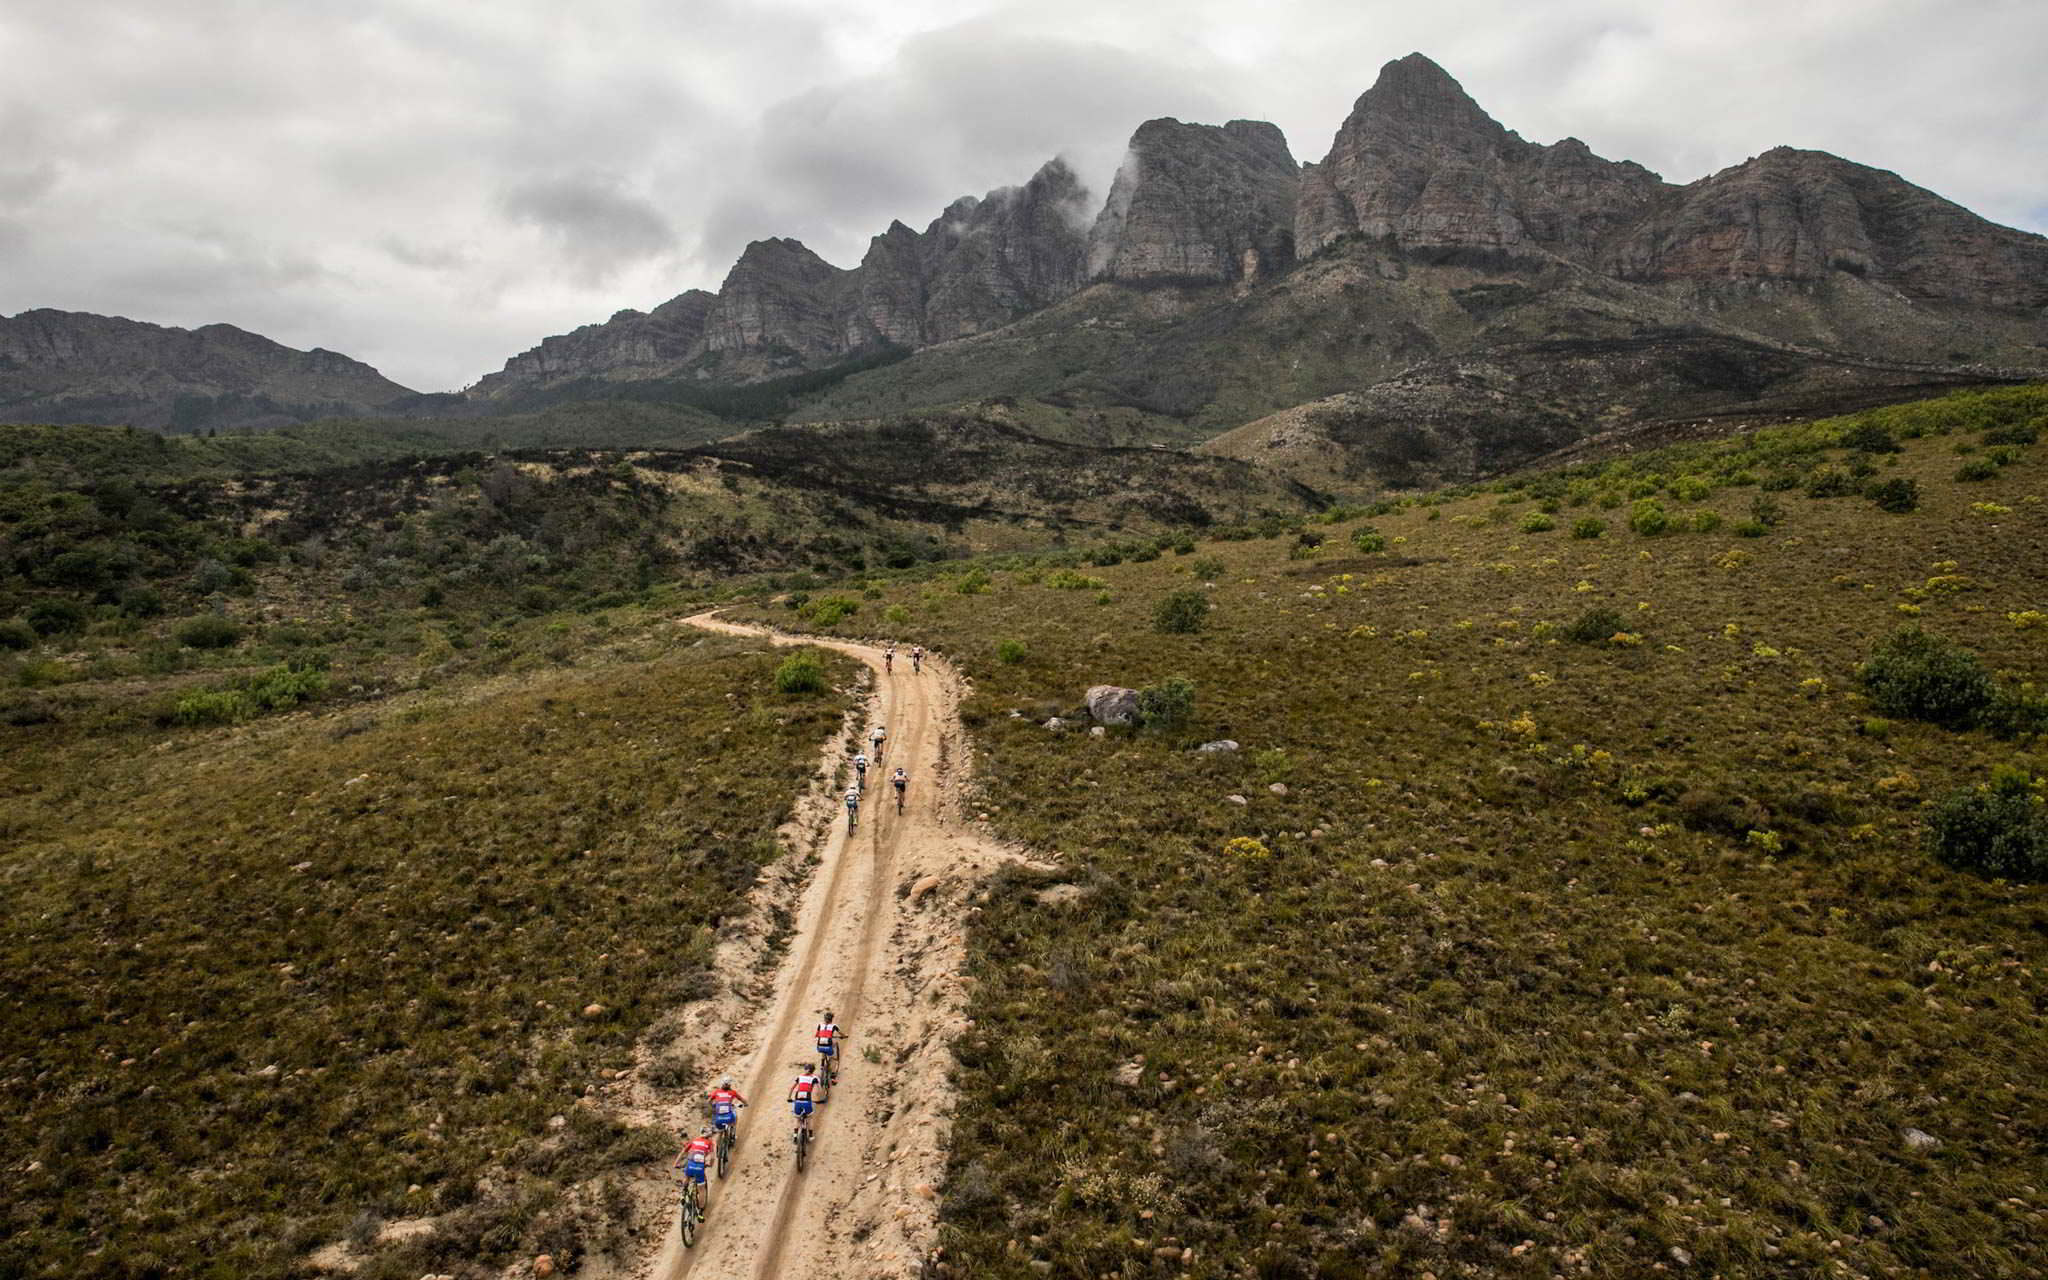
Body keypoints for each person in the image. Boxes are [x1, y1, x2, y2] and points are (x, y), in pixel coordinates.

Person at [679, 1125, 716, 1195]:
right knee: (699, 1172)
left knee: (687, 1176)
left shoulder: (694, 1140)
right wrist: (710, 1164)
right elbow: (711, 1156)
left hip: (690, 1161)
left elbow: (683, 1153)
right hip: (698, 1163)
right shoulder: (709, 1142)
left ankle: (683, 1192)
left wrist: (676, 1164)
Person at [789, 1062, 821, 1139]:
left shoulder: (799, 1077)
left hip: (797, 1100)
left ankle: (795, 1134)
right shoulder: (814, 1078)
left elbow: (792, 1088)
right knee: (810, 1118)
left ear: (806, 1069)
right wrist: (818, 1099)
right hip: (807, 1100)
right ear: (812, 1071)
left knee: (798, 1118)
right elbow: (818, 1090)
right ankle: (810, 1135)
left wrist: (789, 1097)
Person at [815, 1011, 845, 1076]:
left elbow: (816, 1035)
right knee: (833, 1047)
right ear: (832, 1019)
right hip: (828, 1046)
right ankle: (832, 1073)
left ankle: (822, 1065)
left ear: (824, 1019)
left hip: (819, 1047)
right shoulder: (834, 1026)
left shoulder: (820, 1025)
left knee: (823, 1049)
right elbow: (841, 1033)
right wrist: (844, 1036)